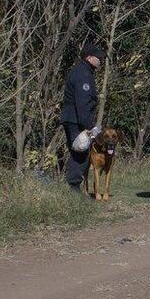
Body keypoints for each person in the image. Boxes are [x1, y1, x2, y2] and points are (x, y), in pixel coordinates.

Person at [60, 42, 106, 193]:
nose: (101, 60)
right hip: (77, 120)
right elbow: (83, 103)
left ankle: (72, 187)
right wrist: (89, 126)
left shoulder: (82, 71)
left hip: (73, 118)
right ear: (89, 57)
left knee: (78, 152)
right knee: (80, 152)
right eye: (98, 57)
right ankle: (73, 188)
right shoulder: (83, 75)